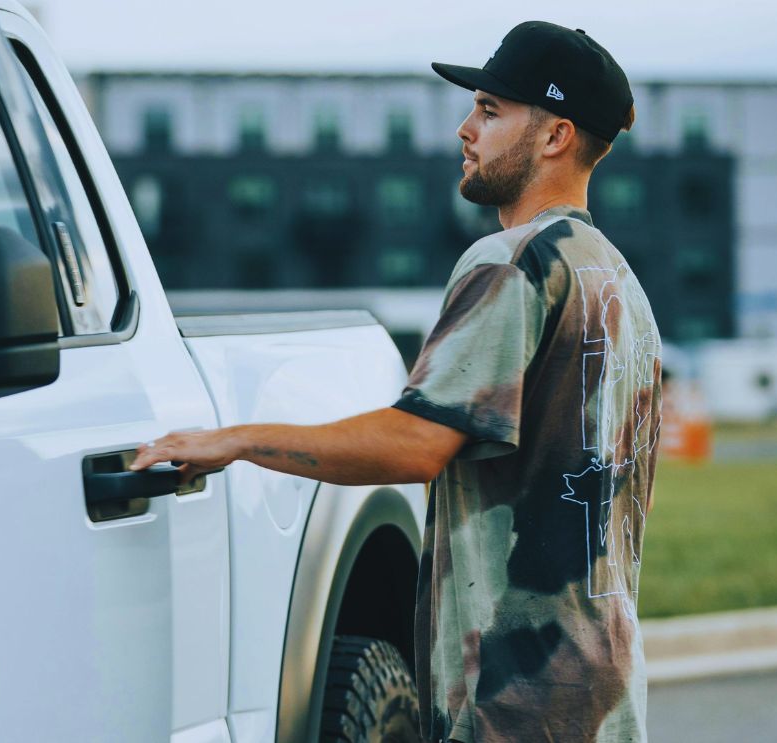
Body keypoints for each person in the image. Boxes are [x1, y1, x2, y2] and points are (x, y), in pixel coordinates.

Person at [131, 20, 660, 743]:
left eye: (489, 110)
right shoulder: (620, 281)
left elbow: (415, 443)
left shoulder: (512, 263)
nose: (463, 128)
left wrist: (235, 437)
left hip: (516, 699)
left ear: (555, 136)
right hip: (604, 688)